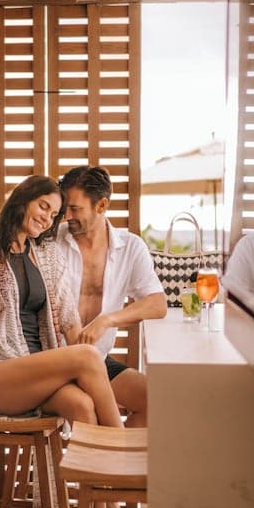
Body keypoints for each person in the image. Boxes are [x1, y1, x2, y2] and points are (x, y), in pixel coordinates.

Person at [0, 174, 134, 508]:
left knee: (82, 405)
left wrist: (84, 361)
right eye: (43, 207)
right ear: (22, 199)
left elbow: (68, 319)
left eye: (54, 214)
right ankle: (122, 457)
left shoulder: (45, 255)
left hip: (36, 375)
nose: (48, 218)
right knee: (86, 357)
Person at [56, 166, 167, 428]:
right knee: (87, 410)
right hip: (53, 362)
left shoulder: (130, 247)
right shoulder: (51, 242)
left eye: (75, 209)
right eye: (65, 208)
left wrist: (107, 320)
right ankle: (106, 451)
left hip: (97, 361)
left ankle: (114, 452)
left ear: (102, 205)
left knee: (156, 400)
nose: (66, 216)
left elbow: (157, 303)